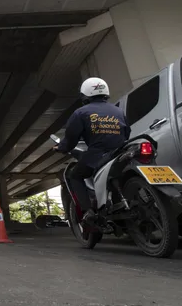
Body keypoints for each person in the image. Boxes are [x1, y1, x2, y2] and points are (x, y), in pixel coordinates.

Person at [54, 77, 130, 221]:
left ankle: (88, 212)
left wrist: (62, 148)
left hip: (98, 155)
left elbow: (71, 138)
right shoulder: (118, 111)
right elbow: (127, 133)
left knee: (75, 175)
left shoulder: (81, 113)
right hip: (120, 152)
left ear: (85, 95)